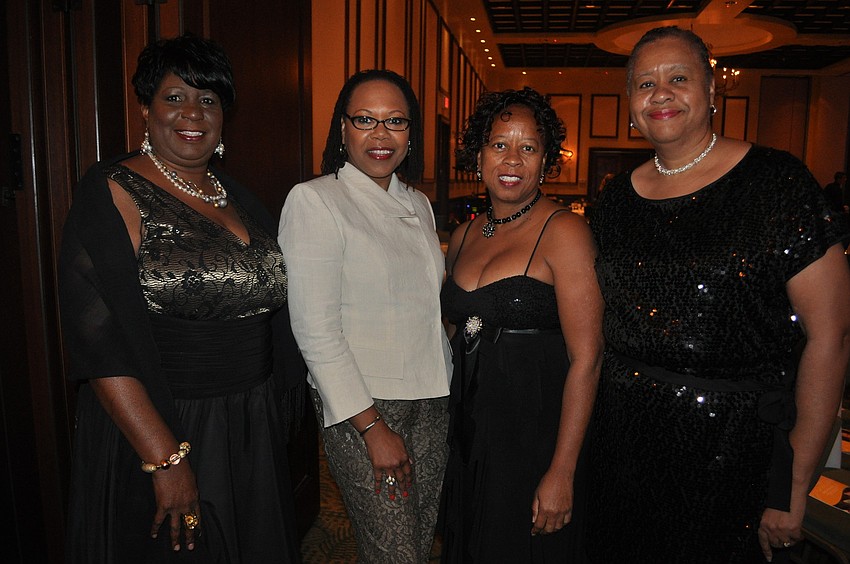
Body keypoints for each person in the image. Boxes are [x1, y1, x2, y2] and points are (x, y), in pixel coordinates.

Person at [587, 26, 850, 563]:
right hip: (621, 445)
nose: (660, 94)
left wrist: (793, 486)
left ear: (712, 89)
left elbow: (832, 337)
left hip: (735, 449)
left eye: (678, 79)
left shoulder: (777, 183)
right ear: (630, 101)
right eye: (644, 83)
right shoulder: (613, 200)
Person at [59, 34, 305, 563]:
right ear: (146, 108)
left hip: (250, 422)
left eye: (208, 99)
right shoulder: (112, 190)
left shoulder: (237, 195)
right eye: (174, 97)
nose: (192, 112)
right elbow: (98, 343)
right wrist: (165, 459)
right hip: (169, 424)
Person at [278, 69, 452, 563]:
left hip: (432, 401)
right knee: (394, 553)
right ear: (342, 129)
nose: (381, 135)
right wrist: (373, 428)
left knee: (416, 544)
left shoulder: (417, 203)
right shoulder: (315, 200)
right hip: (366, 408)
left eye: (395, 121)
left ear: (411, 132)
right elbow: (315, 330)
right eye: (365, 120)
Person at [439, 87, 604, 563]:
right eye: (499, 144)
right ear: (478, 155)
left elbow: (588, 359)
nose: (512, 159)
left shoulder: (565, 232)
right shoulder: (466, 231)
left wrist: (563, 469)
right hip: (470, 429)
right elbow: (456, 331)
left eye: (528, 147)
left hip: (532, 436)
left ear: (546, 159)